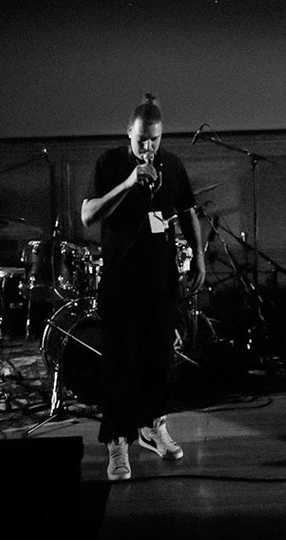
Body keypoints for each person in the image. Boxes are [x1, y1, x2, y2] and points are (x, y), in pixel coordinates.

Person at [80, 93, 205, 481]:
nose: (147, 147)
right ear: (128, 134)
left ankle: (154, 427)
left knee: (159, 360)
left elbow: (187, 211)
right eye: (140, 140)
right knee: (121, 362)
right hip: (121, 281)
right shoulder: (110, 163)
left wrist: (198, 255)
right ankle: (118, 442)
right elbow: (87, 216)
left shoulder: (173, 165)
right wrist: (129, 183)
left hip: (160, 280)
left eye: (154, 140)